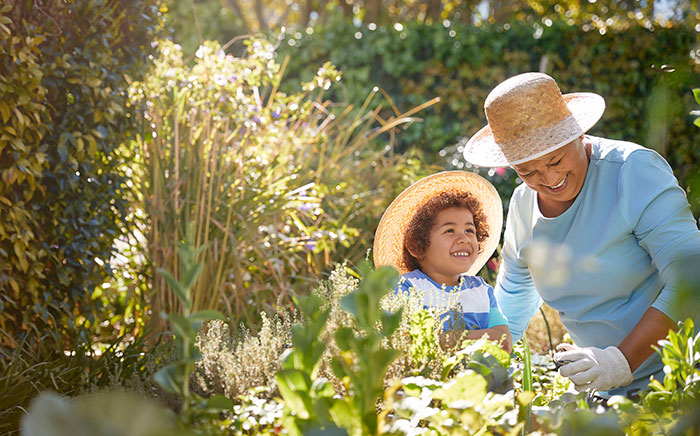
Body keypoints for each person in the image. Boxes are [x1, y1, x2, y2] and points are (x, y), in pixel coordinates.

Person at [462, 72, 700, 397]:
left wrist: (619, 362)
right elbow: (515, 296)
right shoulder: (522, 205)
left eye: (556, 160)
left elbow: (691, 278)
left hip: (684, 379)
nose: (549, 178)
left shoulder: (632, 172)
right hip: (607, 391)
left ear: (577, 132)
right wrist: (482, 366)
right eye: (527, 171)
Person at [373, 171, 513, 352]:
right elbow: (410, 342)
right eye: (449, 231)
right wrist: (481, 337)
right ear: (417, 246)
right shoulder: (407, 288)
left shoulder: (481, 290)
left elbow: (504, 340)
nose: (464, 239)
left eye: (470, 231)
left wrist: (447, 338)